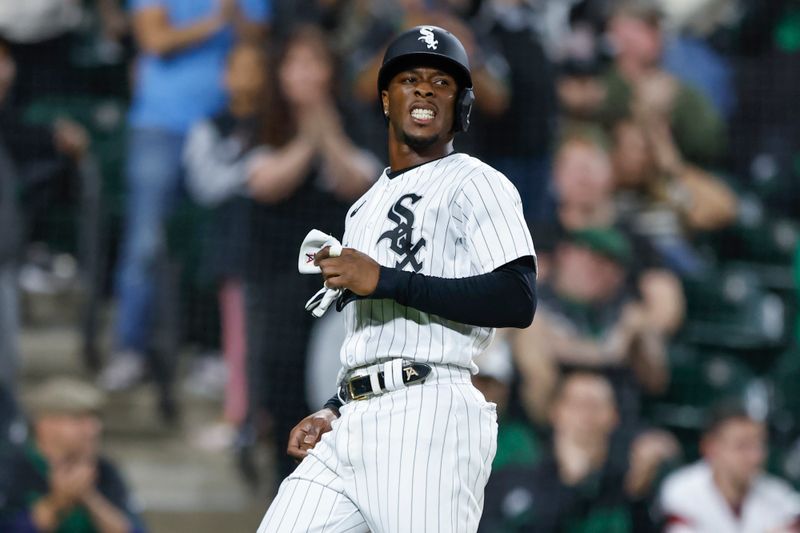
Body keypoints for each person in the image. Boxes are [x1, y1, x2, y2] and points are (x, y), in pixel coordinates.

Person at [256, 26, 537, 532]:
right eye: (410, 78)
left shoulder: (478, 183)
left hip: (430, 413)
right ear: (387, 99)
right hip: (353, 418)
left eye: (442, 82)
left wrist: (387, 279)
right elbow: (375, 335)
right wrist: (331, 409)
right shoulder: (363, 208)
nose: (426, 88)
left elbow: (517, 299)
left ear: (461, 106)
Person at [100, 0, 269, 391]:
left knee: (221, 241)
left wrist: (236, 17)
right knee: (145, 241)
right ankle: (131, 349)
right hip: (161, 126)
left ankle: (211, 350)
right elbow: (155, 39)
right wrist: (217, 19)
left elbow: (258, 41)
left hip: (226, 123)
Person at [242, 25, 379, 483]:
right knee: (279, 383)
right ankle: (284, 486)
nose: (306, 74)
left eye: (315, 63)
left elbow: (359, 181)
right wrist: (308, 139)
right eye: (296, 64)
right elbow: (263, 182)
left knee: (333, 386)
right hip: (277, 278)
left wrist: (329, 132)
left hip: (338, 283)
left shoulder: (354, 116)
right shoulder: (264, 121)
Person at [181, 41, 269, 451]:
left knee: (270, 340)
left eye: (257, 68)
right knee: (239, 339)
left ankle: (262, 417)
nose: (248, 77)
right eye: (240, 67)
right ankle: (237, 417)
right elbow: (205, 186)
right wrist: (251, 169)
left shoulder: (277, 122)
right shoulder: (210, 126)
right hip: (234, 249)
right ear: (225, 76)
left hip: (280, 252)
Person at [0, 377, 144, 532]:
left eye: (94, 419)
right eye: (78, 419)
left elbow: (135, 529)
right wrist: (57, 503)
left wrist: (90, 497)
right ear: (45, 423)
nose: (93, 428)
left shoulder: (104, 470)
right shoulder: (12, 467)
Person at [659, 404, 800, 532]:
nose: (755, 457)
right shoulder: (681, 490)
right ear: (710, 448)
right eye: (742, 446)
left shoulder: (779, 494)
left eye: (759, 445)